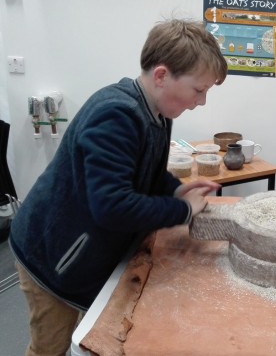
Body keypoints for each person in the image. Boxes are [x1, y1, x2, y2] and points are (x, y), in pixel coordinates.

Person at [9, 18, 228, 356]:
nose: (200, 102)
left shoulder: (159, 113)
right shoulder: (117, 114)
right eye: (198, 90)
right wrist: (182, 210)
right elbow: (112, 206)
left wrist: (173, 191)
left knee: (90, 334)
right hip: (53, 257)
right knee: (50, 347)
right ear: (161, 75)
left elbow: (148, 174)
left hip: (83, 252)